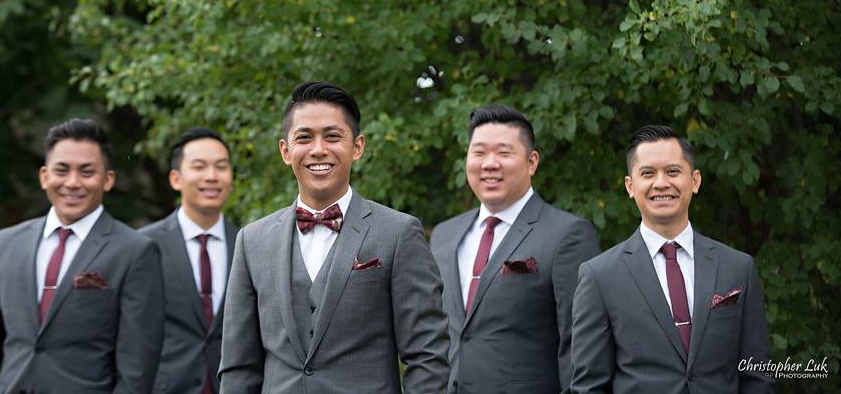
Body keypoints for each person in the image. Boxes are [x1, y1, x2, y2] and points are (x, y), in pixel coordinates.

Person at [219, 81, 449, 393]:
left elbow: (427, 355)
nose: (318, 149)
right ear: (286, 151)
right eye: (304, 138)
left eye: (332, 136)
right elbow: (238, 367)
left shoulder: (399, 233)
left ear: (358, 146)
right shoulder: (252, 241)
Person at [0, 118, 164, 394]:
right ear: (44, 176)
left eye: (87, 172)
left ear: (108, 180)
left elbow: (137, 366)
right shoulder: (6, 243)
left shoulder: (134, 251)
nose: (72, 182)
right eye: (62, 170)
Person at [570, 125, 773, 393]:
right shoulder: (599, 276)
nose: (661, 183)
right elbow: (589, 387)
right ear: (630, 186)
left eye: (673, 171)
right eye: (648, 173)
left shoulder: (737, 268)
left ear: (695, 180)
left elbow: (757, 377)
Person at [430, 104, 600, 394]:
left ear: (532, 162)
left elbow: (582, 349)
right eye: (479, 152)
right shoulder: (444, 235)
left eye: (504, 153)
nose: (489, 163)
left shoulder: (567, 235)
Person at [140, 128, 239, 394]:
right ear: (175, 178)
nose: (212, 176)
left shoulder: (248, 243)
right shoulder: (143, 247)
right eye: (199, 167)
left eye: (221, 167)